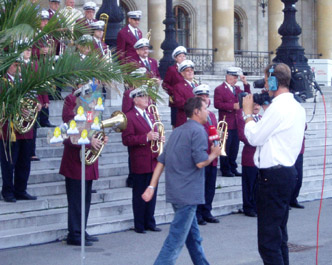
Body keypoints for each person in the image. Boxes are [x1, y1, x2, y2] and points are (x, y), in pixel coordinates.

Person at [142, 97, 221, 265]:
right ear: (197, 111)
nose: (208, 112)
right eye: (205, 108)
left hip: (176, 193)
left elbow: (161, 161)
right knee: (175, 241)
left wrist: (151, 186)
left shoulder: (177, 131)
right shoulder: (199, 131)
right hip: (188, 194)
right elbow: (200, 162)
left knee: (193, 238)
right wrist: (214, 154)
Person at [242, 63, 306, 265]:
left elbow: (254, 137)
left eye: (267, 80)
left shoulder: (279, 107)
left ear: (272, 81)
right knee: (279, 236)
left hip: (273, 176)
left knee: (268, 242)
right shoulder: (295, 105)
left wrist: (247, 114)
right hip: (286, 173)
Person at [59, 35, 107, 246]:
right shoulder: (71, 99)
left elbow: (92, 124)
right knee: (76, 199)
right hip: (75, 156)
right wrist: (89, 142)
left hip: (87, 157)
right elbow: (73, 128)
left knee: (85, 198)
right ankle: (75, 234)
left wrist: (100, 136)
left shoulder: (91, 101)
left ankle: (82, 230)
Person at [122, 87, 162, 234]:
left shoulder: (150, 115)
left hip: (153, 158)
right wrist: (146, 137)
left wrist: (158, 137)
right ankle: (139, 224)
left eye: (147, 97)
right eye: (143, 97)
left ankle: (150, 221)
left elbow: (154, 132)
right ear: (135, 100)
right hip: (139, 160)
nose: (147, 99)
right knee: (140, 193)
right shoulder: (129, 116)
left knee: (152, 191)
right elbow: (126, 140)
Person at [0, 60, 42, 203]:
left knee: (24, 161)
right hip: (9, 129)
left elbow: (32, 99)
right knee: (9, 163)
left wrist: (36, 105)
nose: (18, 68)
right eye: (15, 65)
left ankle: (21, 190)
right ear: (8, 66)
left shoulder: (24, 82)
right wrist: (17, 108)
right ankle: (7, 191)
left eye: (19, 66)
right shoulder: (3, 83)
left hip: (25, 129)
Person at [214, 67, 251, 177]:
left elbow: (247, 96)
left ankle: (233, 167)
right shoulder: (220, 89)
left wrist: (245, 83)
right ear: (227, 76)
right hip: (226, 122)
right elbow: (217, 104)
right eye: (233, 77)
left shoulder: (238, 89)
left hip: (237, 122)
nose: (235, 80)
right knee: (226, 146)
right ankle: (225, 169)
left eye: (236, 78)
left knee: (235, 146)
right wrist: (231, 106)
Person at [193, 84, 220, 225]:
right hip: (202, 155)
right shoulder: (195, 115)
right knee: (200, 186)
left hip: (212, 155)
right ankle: (197, 214)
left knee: (210, 185)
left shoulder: (211, 115)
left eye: (206, 96)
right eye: (201, 96)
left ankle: (207, 211)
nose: (205, 99)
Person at [237, 103, 261, 217]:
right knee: (249, 183)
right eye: (254, 105)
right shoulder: (244, 119)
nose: (256, 107)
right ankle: (248, 207)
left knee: (258, 184)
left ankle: (257, 205)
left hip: (260, 156)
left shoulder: (262, 118)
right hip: (249, 155)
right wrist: (256, 140)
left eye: (258, 105)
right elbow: (242, 135)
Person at [162, 46, 187, 128]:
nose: (182, 58)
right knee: (176, 123)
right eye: (180, 56)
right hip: (176, 100)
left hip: (187, 100)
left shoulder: (188, 69)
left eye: (184, 56)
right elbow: (165, 84)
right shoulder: (172, 69)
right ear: (176, 58)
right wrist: (174, 92)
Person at [173, 59, 197, 128]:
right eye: (187, 70)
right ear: (182, 73)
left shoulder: (197, 85)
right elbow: (179, 103)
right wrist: (196, 104)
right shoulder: (178, 86)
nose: (190, 72)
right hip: (185, 119)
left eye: (191, 70)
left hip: (197, 119)